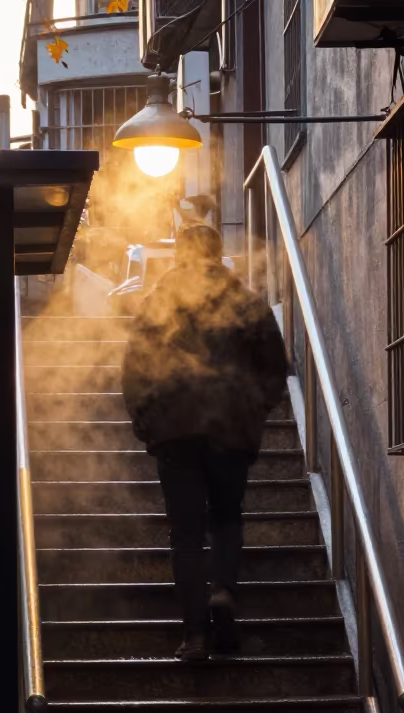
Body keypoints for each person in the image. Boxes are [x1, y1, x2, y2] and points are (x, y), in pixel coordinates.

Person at [121, 224, 288, 662]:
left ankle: (194, 634)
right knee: (227, 518)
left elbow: (135, 366)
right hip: (230, 429)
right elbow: (275, 366)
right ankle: (225, 594)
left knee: (187, 535)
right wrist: (254, 408)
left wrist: (145, 419)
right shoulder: (247, 302)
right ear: (219, 254)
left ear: (180, 254)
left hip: (175, 430)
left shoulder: (158, 302)